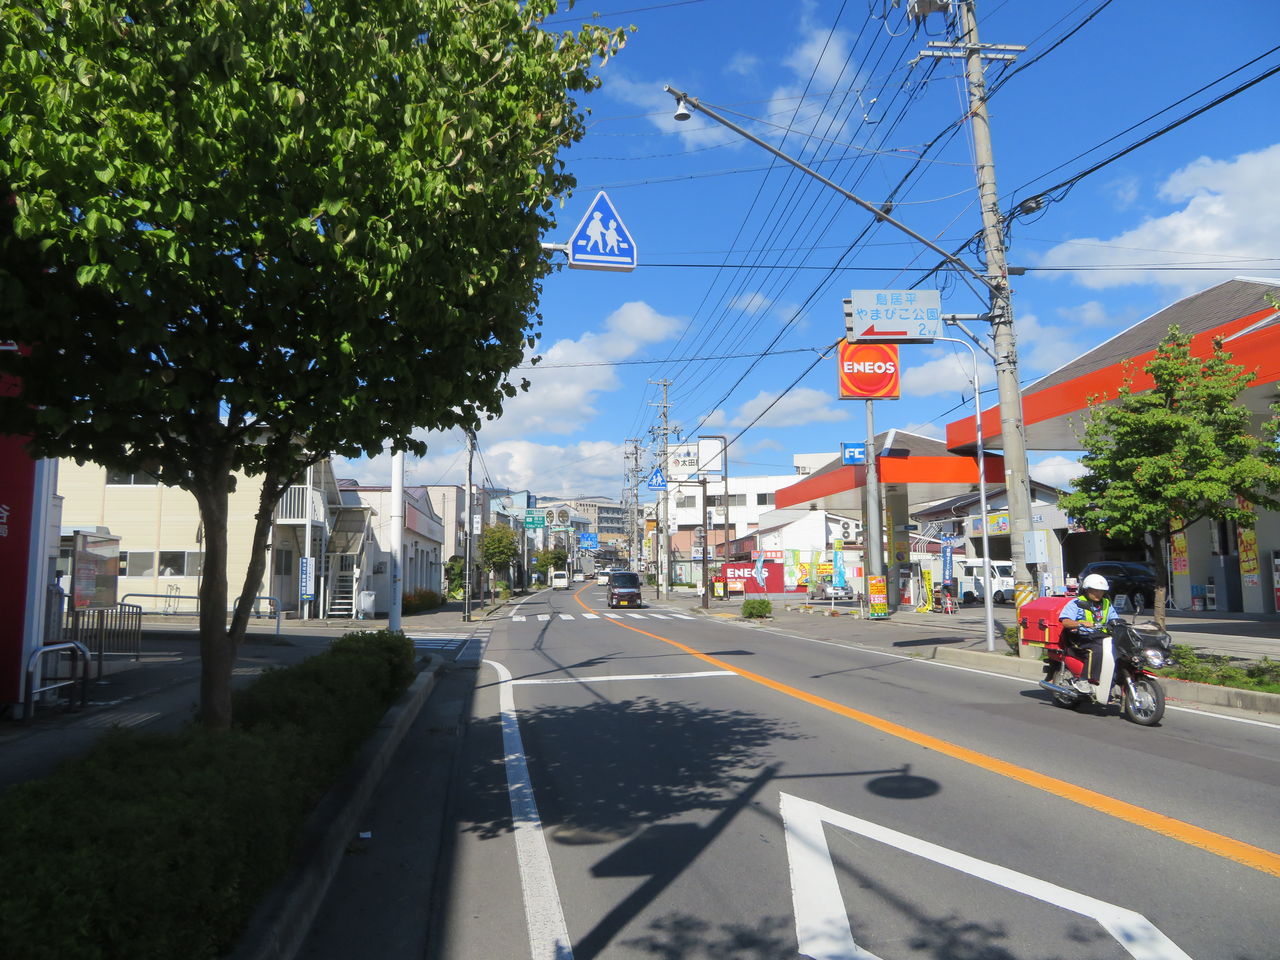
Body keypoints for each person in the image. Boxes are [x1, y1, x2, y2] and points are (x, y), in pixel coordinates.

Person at [1059, 573, 1118, 691]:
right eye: (1095, 590)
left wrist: (1119, 623)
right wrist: (1081, 623)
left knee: (1119, 649)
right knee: (1097, 650)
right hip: (1079, 637)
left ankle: (1114, 680)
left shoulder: (1106, 603)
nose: (1098, 593)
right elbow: (1065, 622)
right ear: (1087, 590)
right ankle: (1085, 680)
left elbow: (1114, 618)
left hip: (1100, 636)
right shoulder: (1076, 603)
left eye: (1101, 591)